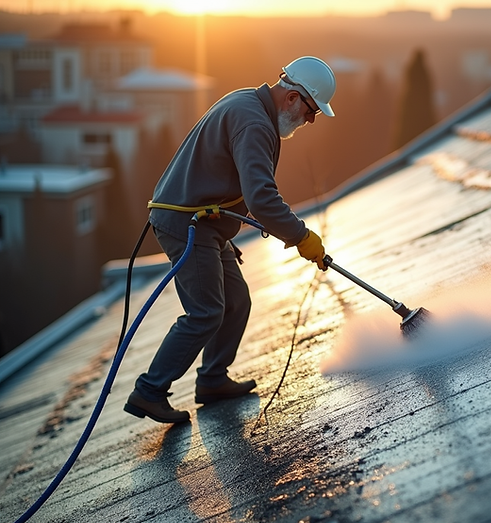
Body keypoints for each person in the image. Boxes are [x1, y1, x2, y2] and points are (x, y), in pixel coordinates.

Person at [123, 57, 336, 424]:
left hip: (205, 221)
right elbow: (262, 198)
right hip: (186, 222)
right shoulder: (254, 122)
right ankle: (149, 392)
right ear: (292, 98)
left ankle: (212, 380)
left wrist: (227, 231)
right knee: (206, 312)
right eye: (311, 111)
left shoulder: (250, 103)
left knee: (236, 301)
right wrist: (301, 236)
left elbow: (235, 185)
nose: (309, 120)